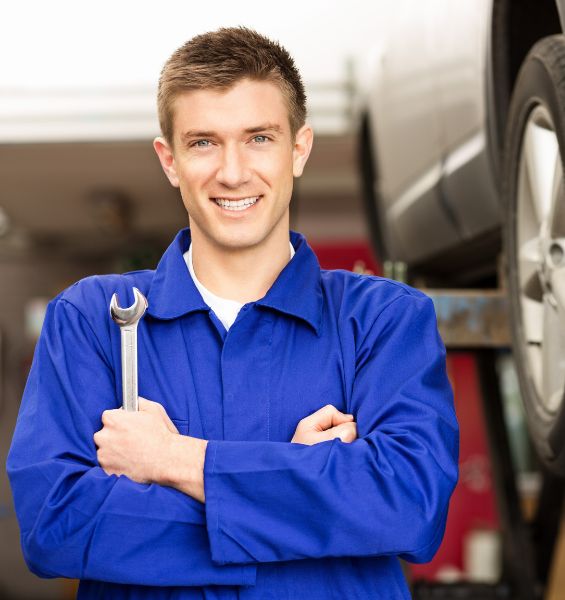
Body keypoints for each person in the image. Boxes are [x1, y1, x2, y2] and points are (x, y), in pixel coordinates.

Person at [7, 26, 459, 599]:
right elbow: (57, 525)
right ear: (169, 160)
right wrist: (296, 490)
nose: (233, 171)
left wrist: (177, 460)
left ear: (299, 149)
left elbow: (409, 505)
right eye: (203, 142)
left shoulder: (383, 321)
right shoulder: (94, 318)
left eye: (259, 138)